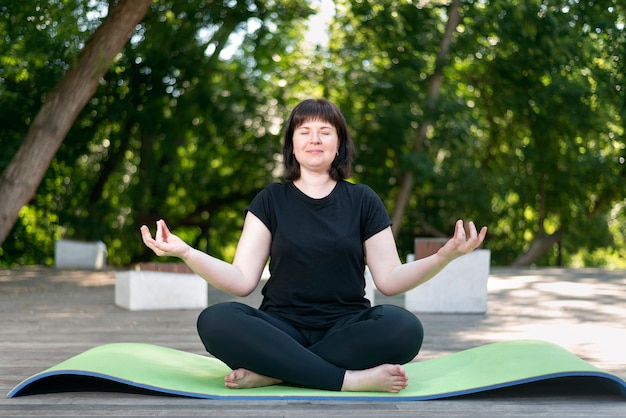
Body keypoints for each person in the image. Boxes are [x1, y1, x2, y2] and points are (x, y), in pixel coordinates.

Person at [141, 98, 487, 393]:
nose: (314, 139)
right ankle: (347, 380)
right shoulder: (271, 200)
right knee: (216, 320)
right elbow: (241, 280)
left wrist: (444, 256)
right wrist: (186, 252)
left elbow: (390, 280)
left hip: (346, 327)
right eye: (304, 132)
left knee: (405, 328)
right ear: (292, 144)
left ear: (340, 144)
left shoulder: (363, 199)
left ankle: (276, 373)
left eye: (325, 132)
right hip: (280, 327)